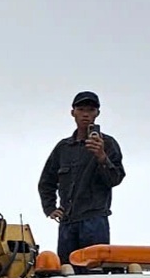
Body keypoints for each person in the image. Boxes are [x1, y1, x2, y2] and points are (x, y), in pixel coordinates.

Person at [38, 90, 126, 264]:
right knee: (66, 271)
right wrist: (50, 208)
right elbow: (46, 181)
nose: (86, 114)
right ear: (73, 112)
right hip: (67, 222)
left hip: (94, 220)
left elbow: (115, 179)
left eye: (91, 110)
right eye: (81, 109)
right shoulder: (63, 148)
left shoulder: (107, 144)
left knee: (94, 271)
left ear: (97, 114)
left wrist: (102, 157)